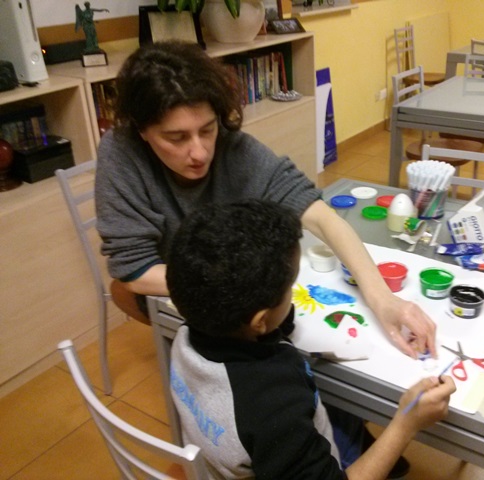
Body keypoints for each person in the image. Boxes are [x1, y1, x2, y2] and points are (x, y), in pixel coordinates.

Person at [95, 40, 435, 357]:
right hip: (182, 290)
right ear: (142, 131)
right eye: (176, 138)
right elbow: (134, 270)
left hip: (230, 285)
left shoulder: (233, 147)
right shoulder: (121, 153)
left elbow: (321, 217)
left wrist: (382, 299)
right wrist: (244, 290)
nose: (199, 152)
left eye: (207, 130)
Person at [166, 199, 456, 479]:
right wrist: (406, 423)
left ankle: (356, 441)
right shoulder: (274, 410)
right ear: (260, 321)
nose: (293, 293)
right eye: (290, 287)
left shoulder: (190, 328)